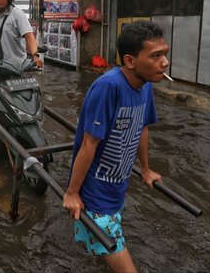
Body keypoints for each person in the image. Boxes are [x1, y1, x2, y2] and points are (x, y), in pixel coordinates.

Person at [63, 21, 169, 273]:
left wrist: (145, 169)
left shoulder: (145, 85)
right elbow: (89, 144)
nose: (164, 62)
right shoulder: (108, 87)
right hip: (95, 190)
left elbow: (142, 127)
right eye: (155, 56)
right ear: (130, 61)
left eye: (165, 54)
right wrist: (71, 192)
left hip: (117, 184)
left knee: (105, 244)